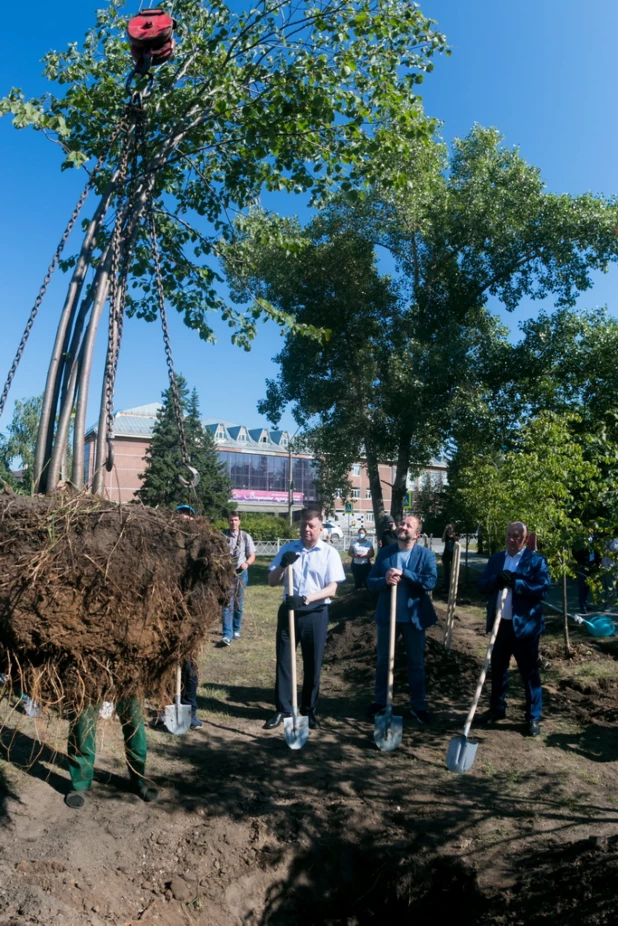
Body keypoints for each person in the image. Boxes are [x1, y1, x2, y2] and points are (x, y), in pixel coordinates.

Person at [264, 509, 346, 730]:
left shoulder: (329, 553)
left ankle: (309, 711)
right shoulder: (288, 549)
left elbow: (332, 589)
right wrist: (283, 564)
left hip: (315, 614)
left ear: (320, 529)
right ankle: (283, 709)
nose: (306, 530)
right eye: (303, 526)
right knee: (284, 662)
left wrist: (306, 599)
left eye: (311, 526)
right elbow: (272, 581)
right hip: (288, 612)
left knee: (313, 664)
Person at [477, 521, 550, 737]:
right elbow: (481, 586)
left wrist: (517, 584)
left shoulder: (536, 561)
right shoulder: (497, 559)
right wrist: (496, 580)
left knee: (529, 674)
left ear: (525, 539)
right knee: (498, 670)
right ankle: (497, 708)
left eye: (517, 536)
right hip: (501, 625)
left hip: (525, 627)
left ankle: (533, 717)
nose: (512, 539)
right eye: (509, 535)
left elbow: (542, 589)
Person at [366, 515, 438, 724]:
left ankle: (418, 705)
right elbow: (370, 581)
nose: (403, 527)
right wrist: (385, 580)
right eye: (403, 524)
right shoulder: (386, 554)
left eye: (409, 525)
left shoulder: (426, 556)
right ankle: (381, 701)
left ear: (417, 534)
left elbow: (431, 581)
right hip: (388, 617)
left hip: (413, 618)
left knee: (416, 663)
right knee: (383, 661)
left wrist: (405, 573)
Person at [66, 698, 158, 809]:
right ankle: (80, 784)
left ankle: (138, 780)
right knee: (81, 725)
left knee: (135, 724)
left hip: (127, 681)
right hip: (91, 682)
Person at [175, 504, 204, 728]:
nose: (184, 518)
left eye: (188, 515)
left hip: (193, 611)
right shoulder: (165, 541)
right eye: (180, 514)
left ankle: (190, 709)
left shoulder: (200, 543)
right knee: (168, 664)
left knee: (189, 663)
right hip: (167, 611)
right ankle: (168, 706)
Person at [221, 511, 256, 646]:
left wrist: (247, 563)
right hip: (227, 574)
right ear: (228, 521)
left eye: (235, 520)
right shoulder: (222, 536)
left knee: (238, 604)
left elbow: (252, 555)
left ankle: (236, 629)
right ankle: (227, 634)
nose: (233, 522)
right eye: (231, 520)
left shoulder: (246, 536)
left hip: (241, 573)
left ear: (239, 521)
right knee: (227, 603)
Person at [441, 523, 458, 590]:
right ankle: (446, 585)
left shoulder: (456, 534)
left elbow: (457, 539)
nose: (450, 530)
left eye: (451, 528)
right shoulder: (446, 535)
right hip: (446, 555)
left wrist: (453, 535)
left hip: (453, 555)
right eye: (449, 528)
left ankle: (453, 585)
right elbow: (442, 540)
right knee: (446, 571)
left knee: (454, 570)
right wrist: (445, 530)